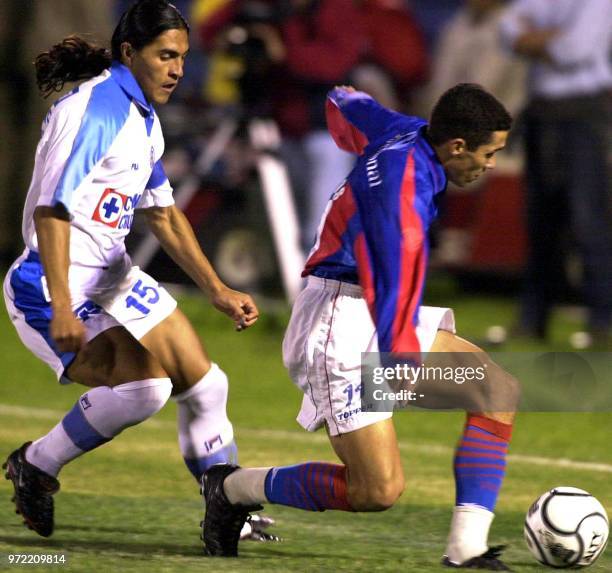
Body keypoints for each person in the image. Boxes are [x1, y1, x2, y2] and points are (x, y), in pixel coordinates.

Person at [199, 84, 521, 570]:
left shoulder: (409, 133)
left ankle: (466, 550)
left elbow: (348, 103)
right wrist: (400, 355)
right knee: (376, 490)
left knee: (496, 393)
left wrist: (341, 105)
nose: (492, 164)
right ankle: (230, 488)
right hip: (339, 325)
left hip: (369, 312)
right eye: (490, 152)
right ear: (457, 146)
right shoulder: (402, 191)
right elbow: (392, 280)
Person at [2, 0, 272, 542]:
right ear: (129, 52)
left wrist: (216, 289)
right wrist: (59, 304)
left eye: (183, 57)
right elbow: (50, 211)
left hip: (113, 276)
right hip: (52, 284)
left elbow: (163, 214)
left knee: (207, 385)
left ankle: (228, 509)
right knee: (144, 390)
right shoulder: (96, 108)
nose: (177, 68)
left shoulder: (143, 116)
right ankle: (37, 463)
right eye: (165, 55)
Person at [499, 0, 612, 346]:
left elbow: (575, 50)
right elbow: (506, 28)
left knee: (588, 219)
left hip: (585, 113)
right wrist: (546, 39)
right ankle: (533, 320)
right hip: (542, 112)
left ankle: (604, 321)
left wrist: (532, 39)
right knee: (540, 220)